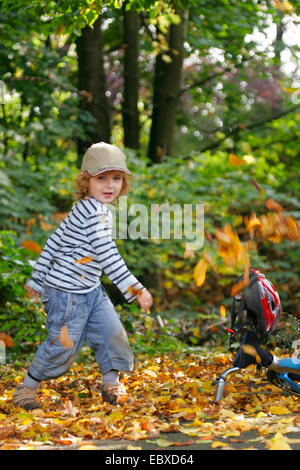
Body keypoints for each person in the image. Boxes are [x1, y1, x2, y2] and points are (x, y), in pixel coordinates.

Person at [13, 142, 153, 410]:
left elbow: (54, 240)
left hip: (90, 288)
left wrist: (36, 276)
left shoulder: (93, 208)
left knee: (111, 332)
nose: (110, 185)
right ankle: (26, 390)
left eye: (116, 178)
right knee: (62, 345)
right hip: (66, 293)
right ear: (86, 180)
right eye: (101, 178)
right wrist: (136, 290)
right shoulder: (91, 212)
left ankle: (111, 384)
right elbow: (108, 256)